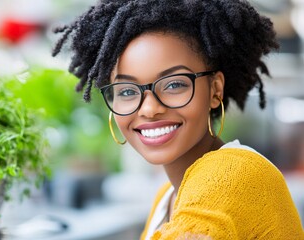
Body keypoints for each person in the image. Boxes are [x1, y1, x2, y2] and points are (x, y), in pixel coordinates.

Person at [52, 0, 304, 239]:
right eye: (127, 91)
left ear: (215, 90)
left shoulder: (232, 175)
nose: (149, 109)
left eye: (173, 84)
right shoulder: (167, 197)